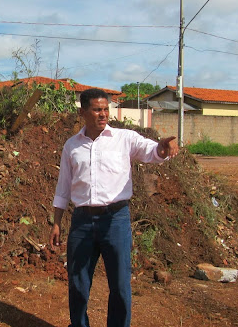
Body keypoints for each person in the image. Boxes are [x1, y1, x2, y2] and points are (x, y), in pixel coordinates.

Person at [49, 88, 179, 327]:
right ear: (83, 112)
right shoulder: (72, 146)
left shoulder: (124, 139)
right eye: (97, 109)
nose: (103, 114)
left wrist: (161, 149)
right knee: (78, 283)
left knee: (119, 285)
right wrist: (56, 222)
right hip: (82, 223)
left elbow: (150, 150)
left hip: (116, 220)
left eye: (106, 109)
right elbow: (63, 186)